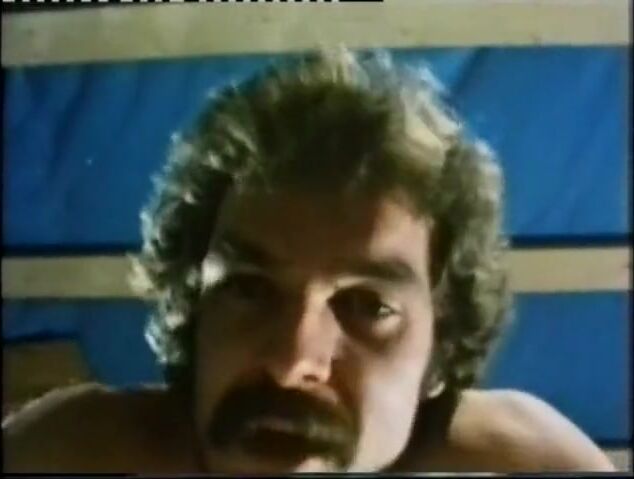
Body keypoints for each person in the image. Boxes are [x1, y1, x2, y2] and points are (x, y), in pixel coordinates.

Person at [3, 48, 616, 473]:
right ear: (193, 315)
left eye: (367, 305)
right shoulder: (61, 454)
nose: (292, 362)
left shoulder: (531, 457)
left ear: (441, 354)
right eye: (249, 289)